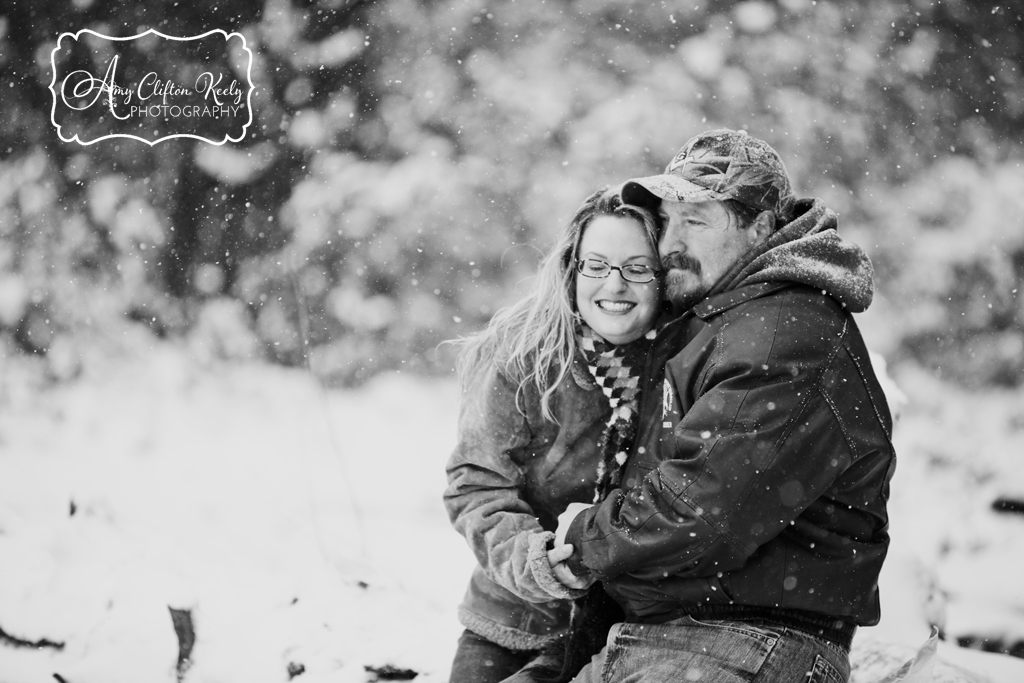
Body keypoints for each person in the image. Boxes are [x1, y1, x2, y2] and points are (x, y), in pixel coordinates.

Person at [549, 129, 897, 683]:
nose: (668, 245)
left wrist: (584, 537)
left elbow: (699, 513)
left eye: (696, 221)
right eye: (666, 221)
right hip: (689, 638)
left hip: (745, 642)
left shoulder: (784, 333)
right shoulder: (724, 322)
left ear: (760, 226)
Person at [443, 187, 665, 683]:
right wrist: (534, 561)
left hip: (631, 633)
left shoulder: (685, 362)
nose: (616, 283)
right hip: (514, 617)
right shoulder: (525, 354)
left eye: (637, 267)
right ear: (572, 267)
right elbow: (476, 484)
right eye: (597, 265)